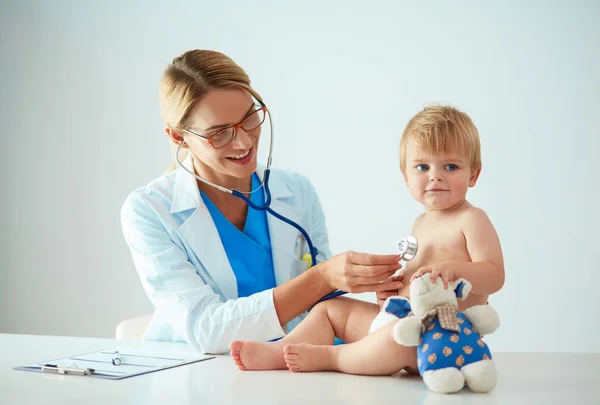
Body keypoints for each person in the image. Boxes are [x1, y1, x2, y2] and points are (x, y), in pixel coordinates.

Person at [119, 49, 404, 355]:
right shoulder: (149, 211)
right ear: (179, 138)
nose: (243, 142)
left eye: (248, 119)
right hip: (200, 371)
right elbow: (206, 329)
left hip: (291, 362)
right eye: (220, 134)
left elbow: (321, 308)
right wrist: (322, 278)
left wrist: (373, 288)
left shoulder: (296, 191)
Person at [230, 105, 505, 374]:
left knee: (396, 337)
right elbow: (415, 283)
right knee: (330, 309)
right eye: (422, 166)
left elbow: (494, 275)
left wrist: (455, 271)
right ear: (406, 176)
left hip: (440, 338)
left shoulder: (472, 219)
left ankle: (332, 357)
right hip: (401, 321)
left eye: (450, 166)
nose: (435, 176)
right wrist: (391, 292)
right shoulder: (421, 222)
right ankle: (285, 348)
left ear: (474, 174)